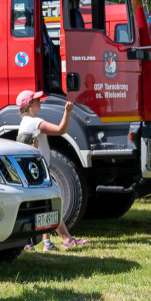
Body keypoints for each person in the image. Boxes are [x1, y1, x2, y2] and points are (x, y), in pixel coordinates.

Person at [15, 90, 88, 251]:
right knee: (51, 204)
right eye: (36, 99)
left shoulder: (24, 123)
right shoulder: (35, 122)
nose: (39, 101)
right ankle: (66, 239)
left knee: (43, 205)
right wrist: (67, 112)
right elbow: (61, 130)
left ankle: (43, 243)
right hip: (39, 172)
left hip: (32, 171)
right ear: (29, 105)